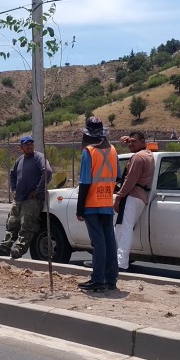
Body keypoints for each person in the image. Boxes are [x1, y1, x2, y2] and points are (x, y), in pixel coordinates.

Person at [0, 135, 52, 259]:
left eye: (31, 144)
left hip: (32, 200)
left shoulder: (39, 158)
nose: (29, 146)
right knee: (12, 224)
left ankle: (19, 249)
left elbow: (47, 172)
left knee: (26, 225)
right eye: (26, 144)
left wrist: (37, 190)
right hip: (19, 199)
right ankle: (4, 248)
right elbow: (13, 175)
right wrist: (14, 189)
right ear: (21, 147)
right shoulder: (20, 160)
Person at [76, 116, 119, 291]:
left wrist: (80, 208)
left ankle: (98, 279)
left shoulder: (89, 152)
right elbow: (117, 178)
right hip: (107, 202)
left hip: (92, 203)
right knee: (109, 242)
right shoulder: (113, 150)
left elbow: (85, 182)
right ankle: (111, 279)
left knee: (98, 243)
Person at [115, 131, 155, 271]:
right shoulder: (148, 154)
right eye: (129, 142)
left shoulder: (138, 158)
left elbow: (129, 180)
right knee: (120, 228)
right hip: (141, 196)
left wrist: (118, 197)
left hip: (132, 196)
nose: (130, 144)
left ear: (143, 142)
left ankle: (121, 263)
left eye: (134, 142)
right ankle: (112, 259)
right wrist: (130, 142)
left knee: (125, 229)